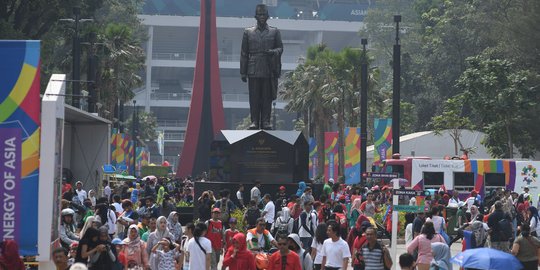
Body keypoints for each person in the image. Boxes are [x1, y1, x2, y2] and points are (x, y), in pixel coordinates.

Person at [240, 4, 283, 130]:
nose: (262, 16)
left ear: (268, 16)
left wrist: (274, 52)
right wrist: (243, 72)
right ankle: (254, 121)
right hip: (253, 68)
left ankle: (265, 121)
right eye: (259, 14)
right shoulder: (248, 32)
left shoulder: (275, 31)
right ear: (256, 16)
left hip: (268, 67)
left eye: (264, 14)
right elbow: (244, 53)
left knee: (266, 97)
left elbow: (280, 48)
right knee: (254, 97)